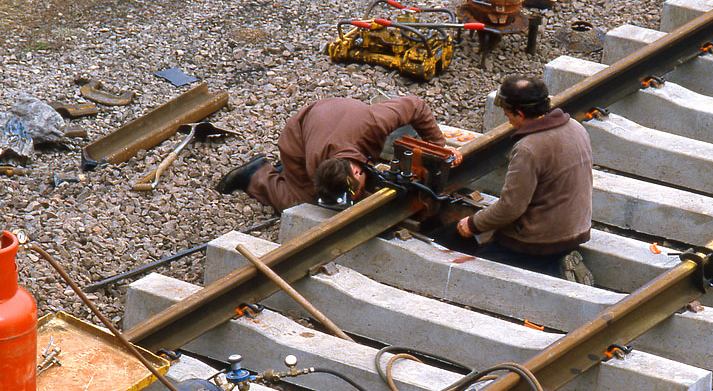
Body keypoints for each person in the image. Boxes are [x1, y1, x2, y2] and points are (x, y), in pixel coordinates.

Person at [443, 75, 594, 284]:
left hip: (539, 241)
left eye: (508, 116)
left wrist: (473, 223)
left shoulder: (529, 148)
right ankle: (558, 259)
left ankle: (552, 267)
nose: (509, 121)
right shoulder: (576, 127)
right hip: (576, 230)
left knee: (475, 271)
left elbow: (511, 208)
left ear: (520, 113)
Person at [216, 95, 449, 213]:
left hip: (335, 116)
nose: (354, 196)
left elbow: (416, 105)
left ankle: (280, 172)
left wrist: (441, 149)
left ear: (357, 169)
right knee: (302, 205)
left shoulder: (375, 123)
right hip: (297, 141)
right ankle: (258, 175)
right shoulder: (314, 163)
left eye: (354, 191)